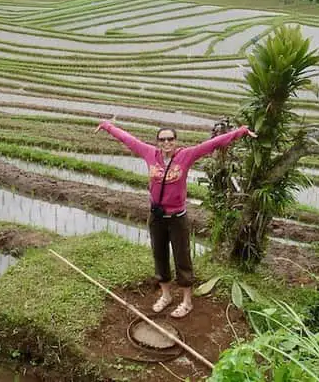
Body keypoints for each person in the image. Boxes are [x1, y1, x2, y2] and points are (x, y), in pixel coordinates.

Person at [95, 117, 256, 318]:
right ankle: (166, 296)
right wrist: (107, 126)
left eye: (170, 139)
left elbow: (212, 144)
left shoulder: (185, 156)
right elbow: (128, 139)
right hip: (156, 217)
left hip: (177, 218)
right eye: (162, 140)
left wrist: (240, 132)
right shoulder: (149, 154)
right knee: (159, 255)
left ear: (175, 141)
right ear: (157, 142)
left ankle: (187, 302)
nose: (166, 143)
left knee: (182, 258)